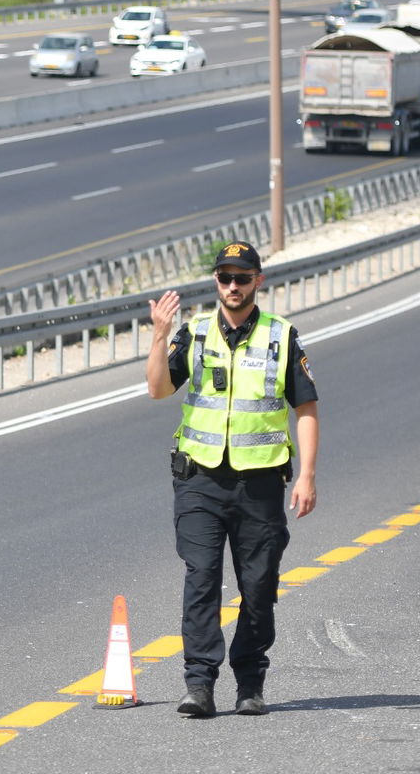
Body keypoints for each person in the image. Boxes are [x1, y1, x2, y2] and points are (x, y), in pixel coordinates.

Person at [145, 240, 320, 718]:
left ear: (258, 281)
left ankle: (250, 682)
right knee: (201, 578)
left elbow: (305, 407)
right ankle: (199, 684)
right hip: (199, 478)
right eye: (225, 277)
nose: (233, 286)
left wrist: (306, 474)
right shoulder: (195, 332)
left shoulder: (281, 337)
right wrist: (159, 337)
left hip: (259, 483)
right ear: (216, 283)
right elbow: (159, 389)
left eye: (242, 277)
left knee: (258, 585)